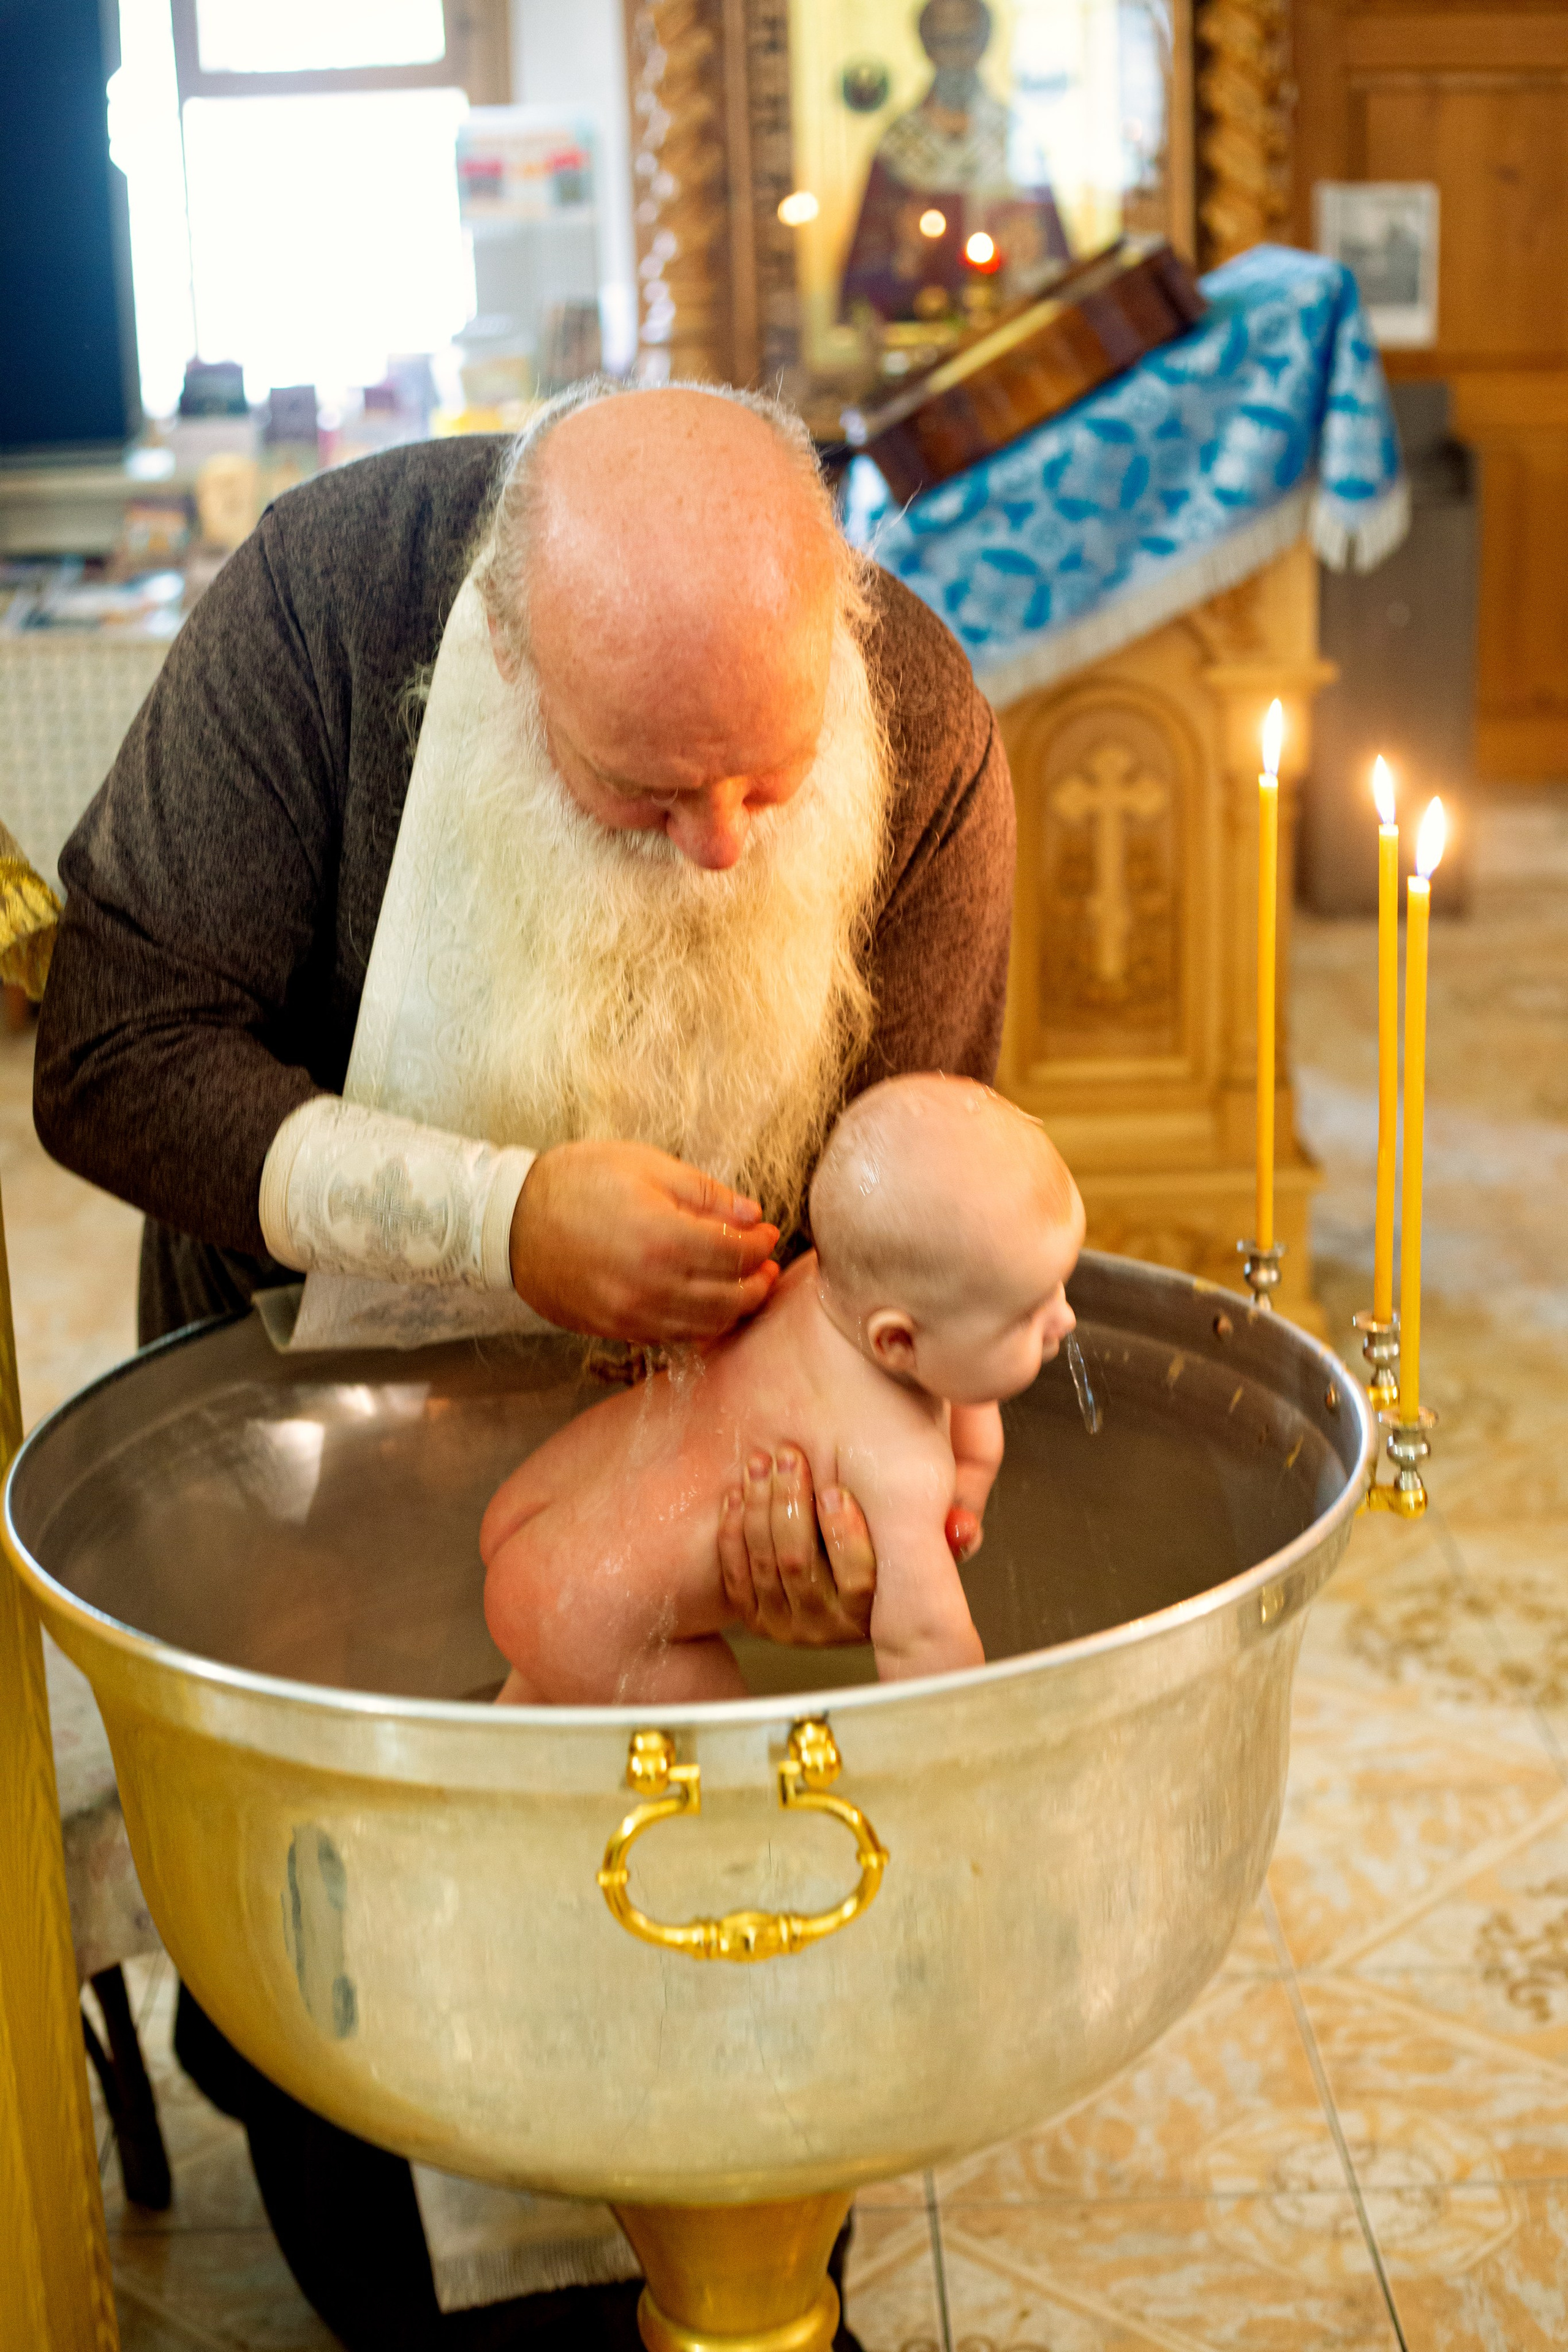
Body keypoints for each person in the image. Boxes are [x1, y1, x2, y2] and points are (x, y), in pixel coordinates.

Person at [33, 380, 1016, 2348]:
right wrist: (497, 1220)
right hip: (304, 1455)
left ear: (831, 615)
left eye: (767, 777)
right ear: (500, 647)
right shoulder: (327, 610)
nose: (722, 848)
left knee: (719, 2022)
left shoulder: (924, 715)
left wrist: (829, 1503)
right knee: (366, 2054)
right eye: (643, 790)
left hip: (692, 1469)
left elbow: (905, 1216)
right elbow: (110, 1054)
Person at [484, 1076, 1082, 1703]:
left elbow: (954, 1364)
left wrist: (976, 1464)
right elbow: (924, 1648)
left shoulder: (812, 1282)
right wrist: (979, 1740)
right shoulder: (901, 1468)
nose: (1064, 1319)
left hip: (544, 1530)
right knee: (723, 1747)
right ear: (896, 1343)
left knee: (542, 1693)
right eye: (1027, 1317)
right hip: (593, 1619)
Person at [840, 0, 1071, 325]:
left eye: (967, 41)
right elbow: (863, 277)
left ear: (984, 45)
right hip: (919, 324)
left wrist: (1030, 251)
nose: (956, 58)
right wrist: (904, 253)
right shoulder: (897, 147)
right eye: (944, 42)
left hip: (1002, 327)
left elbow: (1058, 268)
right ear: (926, 48)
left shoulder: (1014, 137)